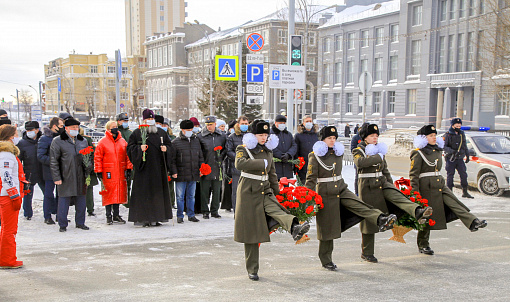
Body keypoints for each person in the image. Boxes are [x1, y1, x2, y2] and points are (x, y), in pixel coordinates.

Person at [305, 126, 397, 271]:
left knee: (359, 204)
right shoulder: (314, 155)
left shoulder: (338, 153)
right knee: (327, 228)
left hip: (341, 188)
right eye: (329, 138)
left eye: (334, 138)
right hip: (325, 192)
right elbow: (311, 179)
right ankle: (326, 258)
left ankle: (381, 219)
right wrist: (307, 197)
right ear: (322, 140)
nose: (332, 141)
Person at [234, 120, 310, 281]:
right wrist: (262, 163)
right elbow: (239, 163)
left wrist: (279, 195)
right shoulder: (243, 148)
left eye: (265, 135)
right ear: (252, 136)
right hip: (248, 192)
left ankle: (295, 227)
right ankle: (252, 269)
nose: (263, 138)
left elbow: (272, 175)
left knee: (277, 209)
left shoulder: (268, 151)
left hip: (265, 189)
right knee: (251, 233)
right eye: (260, 135)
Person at [353, 123, 433, 263]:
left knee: (398, 197)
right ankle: (367, 252)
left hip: (382, 183)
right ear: (365, 138)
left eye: (376, 136)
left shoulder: (379, 151)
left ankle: (417, 211)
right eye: (372, 136)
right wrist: (378, 156)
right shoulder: (359, 150)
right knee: (369, 221)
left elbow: (385, 170)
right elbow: (360, 163)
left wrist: (391, 184)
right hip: (367, 187)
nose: (375, 138)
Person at [411, 125, 487, 255]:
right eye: (430, 136)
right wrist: (415, 194)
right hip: (426, 187)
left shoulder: (437, 151)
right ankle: (423, 244)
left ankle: (473, 222)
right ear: (423, 138)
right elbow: (414, 175)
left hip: (439, 184)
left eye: (435, 135)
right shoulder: (418, 153)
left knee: (455, 203)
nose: (434, 138)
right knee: (427, 216)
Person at [127, 109, 173, 227]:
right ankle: (144, 218)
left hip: (158, 169)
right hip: (144, 171)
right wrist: (139, 149)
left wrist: (166, 149)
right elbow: (129, 149)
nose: (151, 121)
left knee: (157, 195)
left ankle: (157, 217)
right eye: (148, 119)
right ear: (144, 120)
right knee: (144, 194)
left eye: (152, 119)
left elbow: (170, 146)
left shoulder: (161, 133)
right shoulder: (137, 133)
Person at [50, 118, 91, 232]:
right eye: (73, 128)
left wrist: (88, 169)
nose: (75, 129)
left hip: (81, 176)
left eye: (77, 127)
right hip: (65, 175)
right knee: (64, 200)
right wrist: (56, 177)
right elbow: (54, 161)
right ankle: (62, 224)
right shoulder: (58, 141)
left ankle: (80, 222)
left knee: (81, 201)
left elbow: (88, 156)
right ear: (66, 128)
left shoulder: (82, 141)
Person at [95, 121, 133, 225]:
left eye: (116, 127)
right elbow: (98, 158)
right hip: (108, 171)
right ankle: (108, 215)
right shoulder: (103, 142)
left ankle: (116, 214)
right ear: (108, 129)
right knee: (108, 193)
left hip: (120, 170)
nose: (115, 128)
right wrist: (98, 171)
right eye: (113, 127)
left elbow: (127, 155)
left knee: (118, 193)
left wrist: (129, 168)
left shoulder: (122, 141)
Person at [0, 124, 27, 268]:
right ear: (11, 136)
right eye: (16, 134)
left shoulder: (6, 153)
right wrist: (15, 195)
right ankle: (7, 260)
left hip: (7, 195)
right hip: (8, 197)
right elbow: (6, 177)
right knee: (9, 230)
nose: (18, 136)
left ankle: (5, 258)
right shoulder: (6, 154)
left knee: (6, 229)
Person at [171, 119, 204, 223]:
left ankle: (191, 214)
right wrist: (174, 172)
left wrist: (201, 168)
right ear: (182, 130)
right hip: (181, 173)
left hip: (193, 172)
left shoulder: (196, 140)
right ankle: (180, 216)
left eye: (191, 129)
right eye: (187, 129)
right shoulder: (176, 142)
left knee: (191, 196)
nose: (190, 131)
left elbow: (200, 156)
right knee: (180, 196)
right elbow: (172, 160)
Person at [198, 116, 227, 219]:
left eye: (211, 124)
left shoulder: (222, 136)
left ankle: (215, 210)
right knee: (204, 191)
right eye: (207, 125)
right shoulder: (201, 136)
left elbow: (225, 149)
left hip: (218, 166)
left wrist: (221, 156)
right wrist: (202, 164)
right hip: (206, 166)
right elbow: (199, 152)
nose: (209, 126)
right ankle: (205, 211)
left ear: (215, 124)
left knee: (217, 190)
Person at [37, 117, 64, 225]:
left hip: (61, 170)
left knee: (60, 194)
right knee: (49, 194)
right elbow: (40, 156)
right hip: (49, 171)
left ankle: (59, 215)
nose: (63, 128)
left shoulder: (62, 137)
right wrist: (55, 161)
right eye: (61, 126)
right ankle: (47, 216)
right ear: (54, 126)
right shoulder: (45, 138)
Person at [17, 121, 44, 220]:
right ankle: (28, 213)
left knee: (48, 193)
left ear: (37, 130)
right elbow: (19, 159)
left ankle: (51, 211)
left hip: (42, 171)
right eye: (27, 130)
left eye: (31, 130)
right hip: (29, 172)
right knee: (28, 195)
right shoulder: (22, 143)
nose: (29, 132)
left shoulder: (42, 140)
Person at [443, 118, 473, 198]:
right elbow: (444, 146)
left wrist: (467, 155)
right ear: (452, 126)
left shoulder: (461, 134)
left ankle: (465, 192)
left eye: (460, 126)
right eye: (457, 126)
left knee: (463, 175)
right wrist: (452, 151)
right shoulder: (448, 134)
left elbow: (464, 145)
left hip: (460, 159)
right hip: (451, 158)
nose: (459, 127)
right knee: (450, 175)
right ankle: (450, 193)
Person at [226, 116, 249, 212]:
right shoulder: (232, 136)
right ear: (238, 124)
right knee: (236, 192)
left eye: (246, 124)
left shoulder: (250, 136)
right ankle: (237, 211)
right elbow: (228, 151)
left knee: (247, 192)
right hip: (236, 168)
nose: (244, 126)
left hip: (248, 167)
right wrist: (239, 157)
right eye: (242, 124)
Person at [270, 115, 297, 180]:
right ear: (276, 123)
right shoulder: (270, 134)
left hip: (287, 168)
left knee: (286, 188)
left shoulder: (288, 134)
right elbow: (270, 146)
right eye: (280, 123)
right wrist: (280, 155)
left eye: (284, 123)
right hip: (275, 167)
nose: (282, 125)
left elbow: (294, 146)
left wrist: (288, 154)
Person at [80, 127, 99, 217]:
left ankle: (88, 208)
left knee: (87, 188)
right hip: (88, 167)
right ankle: (90, 209)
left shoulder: (86, 139)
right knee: (88, 189)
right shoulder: (87, 139)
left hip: (85, 167)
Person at [294, 115, 318, 184]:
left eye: (310, 121)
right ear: (303, 123)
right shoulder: (298, 136)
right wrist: (296, 164)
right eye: (307, 121)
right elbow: (296, 151)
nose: (309, 123)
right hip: (303, 167)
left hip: (315, 166)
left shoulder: (316, 135)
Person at [350, 122, 368, 196]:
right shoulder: (356, 137)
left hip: (368, 161)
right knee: (358, 177)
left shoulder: (371, 138)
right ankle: (357, 193)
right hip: (358, 161)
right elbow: (352, 149)